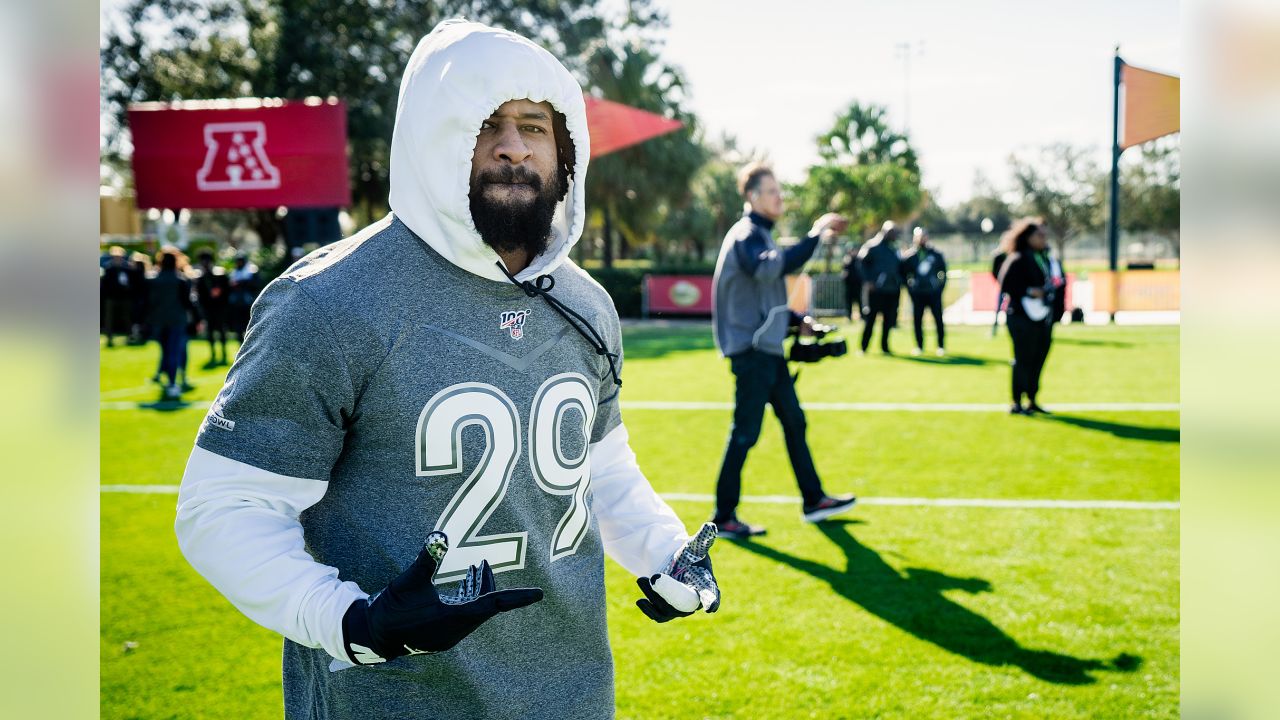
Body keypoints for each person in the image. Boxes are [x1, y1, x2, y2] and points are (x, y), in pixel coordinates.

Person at [174, 21, 720, 720]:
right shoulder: (328, 301)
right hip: (391, 700)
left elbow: (602, 469)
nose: (513, 145)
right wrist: (354, 623)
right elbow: (224, 508)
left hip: (572, 694)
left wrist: (667, 551)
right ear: (432, 135)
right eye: (485, 121)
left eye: (535, 125)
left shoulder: (584, 302)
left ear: (567, 148)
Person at [709, 162, 858, 540]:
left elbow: (766, 292)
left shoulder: (760, 235)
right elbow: (768, 271)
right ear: (752, 196)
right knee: (745, 432)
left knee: (794, 422)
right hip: (753, 352)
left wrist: (797, 321)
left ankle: (814, 500)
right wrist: (816, 235)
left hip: (768, 351)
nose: (780, 197)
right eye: (773, 191)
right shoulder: (748, 234)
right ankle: (723, 516)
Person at [996, 219, 1055, 414]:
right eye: (1039, 235)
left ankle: (1032, 398)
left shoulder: (1045, 258)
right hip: (1021, 316)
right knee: (1023, 358)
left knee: (1039, 357)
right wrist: (1030, 291)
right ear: (1028, 237)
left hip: (1042, 317)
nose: (1043, 238)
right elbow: (1006, 285)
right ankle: (1016, 401)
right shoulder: (1018, 258)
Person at [146, 248, 197, 400]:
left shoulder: (152, 280)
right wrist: (198, 318)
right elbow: (188, 303)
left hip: (158, 321)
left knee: (166, 351)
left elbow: (147, 302)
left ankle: (168, 379)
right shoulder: (180, 280)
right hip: (176, 320)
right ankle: (172, 383)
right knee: (174, 351)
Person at [856, 221, 903, 354]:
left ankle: (885, 347)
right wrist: (868, 281)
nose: (894, 235)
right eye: (891, 232)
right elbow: (861, 263)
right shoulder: (872, 246)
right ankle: (863, 347)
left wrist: (898, 280)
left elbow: (900, 267)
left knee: (888, 321)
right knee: (870, 320)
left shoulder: (895, 249)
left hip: (891, 290)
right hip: (876, 291)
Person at [901, 227, 947, 356]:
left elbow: (943, 272)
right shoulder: (910, 256)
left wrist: (939, 288)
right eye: (919, 237)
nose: (921, 239)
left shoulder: (935, 254)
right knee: (917, 320)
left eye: (924, 236)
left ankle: (941, 345)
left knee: (938, 319)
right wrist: (911, 289)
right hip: (918, 294)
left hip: (933, 293)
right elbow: (904, 274)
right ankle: (919, 346)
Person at [193, 249, 231, 366]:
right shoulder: (200, 277)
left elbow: (228, 290)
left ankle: (224, 352)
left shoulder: (220, 274)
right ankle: (213, 353)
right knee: (210, 331)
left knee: (221, 330)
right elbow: (199, 294)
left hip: (220, 307)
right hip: (208, 308)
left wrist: (220, 292)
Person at [100, 246, 133, 347]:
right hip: (111, 297)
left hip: (124, 297)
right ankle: (109, 338)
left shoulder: (127, 268)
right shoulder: (109, 268)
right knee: (109, 318)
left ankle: (129, 336)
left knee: (127, 317)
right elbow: (105, 284)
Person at [227, 253, 260, 341]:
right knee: (238, 326)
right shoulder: (233, 272)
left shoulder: (251, 272)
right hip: (236, 303)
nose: (239, 263)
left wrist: (241, 283)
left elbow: (255, 285)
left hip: (248, 302)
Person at [840, 239, 863, 322]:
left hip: (857, 284)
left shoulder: (859, 260)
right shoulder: (847, 260)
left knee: (859, 301)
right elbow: (844, 272)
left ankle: (861, 316)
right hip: (849, 284)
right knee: (849, 302)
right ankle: (849, 317)